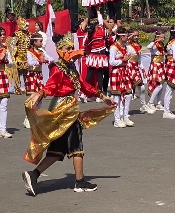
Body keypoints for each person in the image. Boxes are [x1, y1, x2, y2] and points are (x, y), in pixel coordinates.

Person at [22, 33, 116, 196]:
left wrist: (102, 96)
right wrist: (41, 93)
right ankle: (79, 182)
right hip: (64, 110)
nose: (71, 51)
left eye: (72, 48)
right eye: (68, 48)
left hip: (69, 107)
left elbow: (83, 85)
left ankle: (33, 175)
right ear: (59, 51)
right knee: (76, 145)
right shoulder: (59, 68)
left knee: (58, 149)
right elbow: (51, 85)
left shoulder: (71, 67)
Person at [22, 33, 54, 129]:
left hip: (39, 76)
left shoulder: (42, 51)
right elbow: (30, 63)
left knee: (40, 97)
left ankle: (33, 117)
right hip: (31, 75)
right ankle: (28, 118)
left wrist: (47, 60)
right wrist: (41, 61)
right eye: (40, 41)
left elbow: (50, 58)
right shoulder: (29, 52)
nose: (42, 42)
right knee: (33, 97)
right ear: (34, 42)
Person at [108, 27, 133, 128]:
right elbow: (111, 61)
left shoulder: (125, 46)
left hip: (124, 71)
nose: (127, 38)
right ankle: (117, 119)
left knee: (128, 94)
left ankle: (125, 116)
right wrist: (123, 60)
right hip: (116, 71)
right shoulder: (113, 47)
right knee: (117, 96)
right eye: (126, 36)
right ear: (121, 36)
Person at [127, 30, 154, 114]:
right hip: (128, 67)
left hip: (136, 67)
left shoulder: (138, 46)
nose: (136, 37)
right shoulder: (127, 45)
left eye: (137, 36)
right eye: (134, 36)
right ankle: (124, 109)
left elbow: (139, 59)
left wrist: (142, 69)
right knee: (128, 90)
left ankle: (143, 105)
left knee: (142, 87)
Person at [146, 31, 167, 112]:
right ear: (157, 37)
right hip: (155, 66)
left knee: (161, 85)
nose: (163, 38)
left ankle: (158, 103)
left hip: (161, 65)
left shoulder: (162, 44)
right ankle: (150, 103)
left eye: (164, 37)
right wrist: (155, 40)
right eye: (162, 37)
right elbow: (148, 47)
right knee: (158, 86)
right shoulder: (154, 44)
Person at [10, 17, 31, 95]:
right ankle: (17, 89)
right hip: (18, 56)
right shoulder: (16, 34)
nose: (26, 26)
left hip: (26, 56)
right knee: (18, 73)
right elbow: (12, 45)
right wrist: (13, 55)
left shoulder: (29, 34)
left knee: (27, 73)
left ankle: (28, 88)